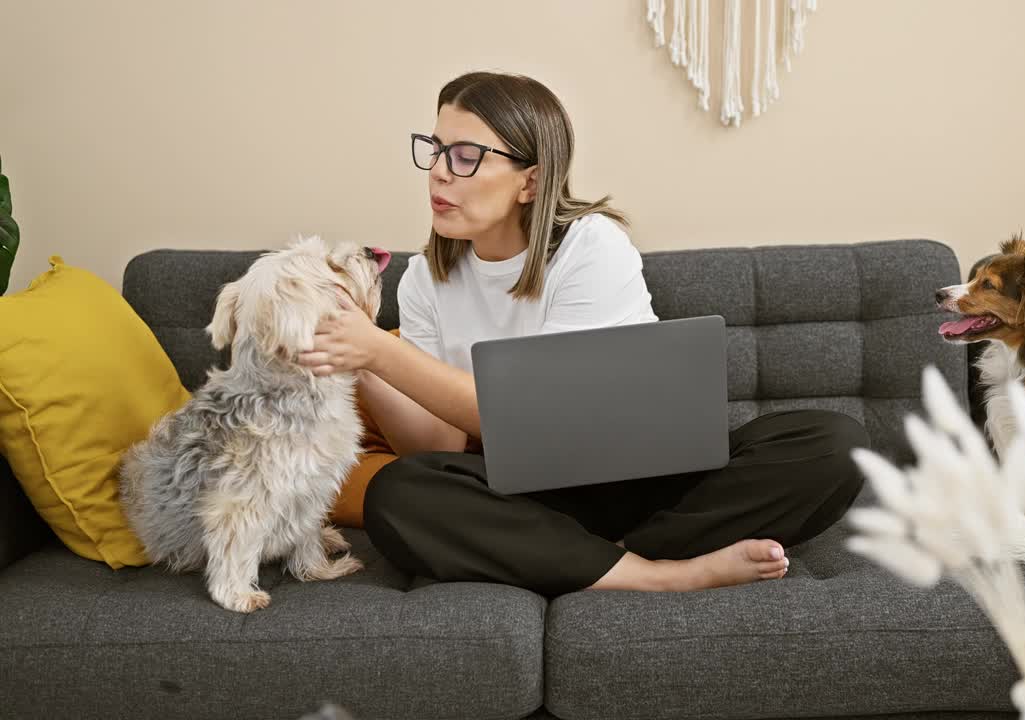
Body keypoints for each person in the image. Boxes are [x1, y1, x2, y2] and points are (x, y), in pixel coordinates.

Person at [297, 71, 866, 597]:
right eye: (437, 149)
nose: (440, 171)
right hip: (528, 498)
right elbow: (438, 448)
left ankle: (592, 560)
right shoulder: (425, 278)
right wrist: (362, 362)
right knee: (400, 492)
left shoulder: (591, 245)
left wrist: (379, 351)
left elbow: (537, 413)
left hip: (649, 480)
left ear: (531, 181)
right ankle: (654, 573)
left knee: (836, 443)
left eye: (467, 156)